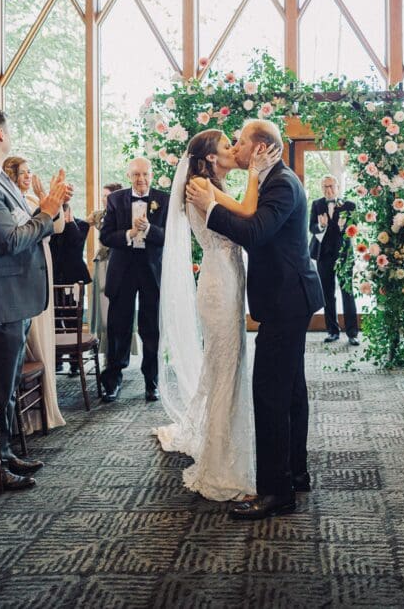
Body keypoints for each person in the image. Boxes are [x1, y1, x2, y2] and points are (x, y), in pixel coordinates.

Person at [186, 119, 324, 520]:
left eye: (242, 141)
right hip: (288, 298)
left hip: (286, 301)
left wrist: (210, 209)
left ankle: (275, 492)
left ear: (260, 147)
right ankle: (295, 472)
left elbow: (256, 232)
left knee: (270, 394)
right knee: (292, 390)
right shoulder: (270, 178)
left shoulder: (281, 182)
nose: (238, 148)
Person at [155, 129, 279, 501]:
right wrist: (256, 172)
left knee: (226, 366)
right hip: (219, 285)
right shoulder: (200, 187)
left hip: (226, 279)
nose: (232, 150)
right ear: (210, 158)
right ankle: (223, 469)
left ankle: (224, 449)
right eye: (227, 146)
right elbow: (249, 211)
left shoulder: (210, 184)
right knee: (226, 369)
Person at [2, 154, 68, 431]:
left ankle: (45, 409)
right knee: (29, 342)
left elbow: (59, 226)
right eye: (23, 172)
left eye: (30, 172)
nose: (28, 176)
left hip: (41, 267)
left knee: (42, 338)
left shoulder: (31, 201)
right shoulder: (7, 203)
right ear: (12, 175)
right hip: (23, 271)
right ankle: (23, 419)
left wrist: (47, 198)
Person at [98, 157, 169, 403]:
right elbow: (105, 236)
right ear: (129, 176)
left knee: (151, 329)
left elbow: (171, 237)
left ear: (151, 174)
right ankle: (113, 381)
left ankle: (152, 382)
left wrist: (150, 230)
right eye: (136, 175)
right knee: (119, 327)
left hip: (151, 272)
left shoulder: (164, 199)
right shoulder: (116, 200)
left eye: (145, 174)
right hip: (123, 271)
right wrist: (128, 233)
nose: (141, 179)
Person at [309, 175, 360, 345]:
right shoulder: (317, 204)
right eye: (324, 187)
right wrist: (321, 226)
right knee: (327, 294)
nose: (328, 190)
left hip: (344, 255)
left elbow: (355, 228)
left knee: (347, 292)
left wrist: (343, 227)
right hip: (324, 255)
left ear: (338, 187)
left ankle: (352, 333)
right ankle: (332, 331)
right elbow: (312, 227)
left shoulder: (349, 205)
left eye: (330, 186)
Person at [87, 183, 124, 364]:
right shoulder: (99, 215)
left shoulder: (123, 214)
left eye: (107, 196)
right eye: (102, 196)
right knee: (102, 309)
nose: (103, 199)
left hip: (117, 262)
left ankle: (115, 352)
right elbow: (81, 224)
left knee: (114, 308)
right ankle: (104, 349)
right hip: (102, 262)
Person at [51, 203, 92, 333]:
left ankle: (75, 349)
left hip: (74, 277)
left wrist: (70, 222)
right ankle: (57, 351)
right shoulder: (50, 226)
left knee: (74, 318)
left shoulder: (82, 225)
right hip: (54, 276)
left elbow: (76, 243)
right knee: (55, 317)